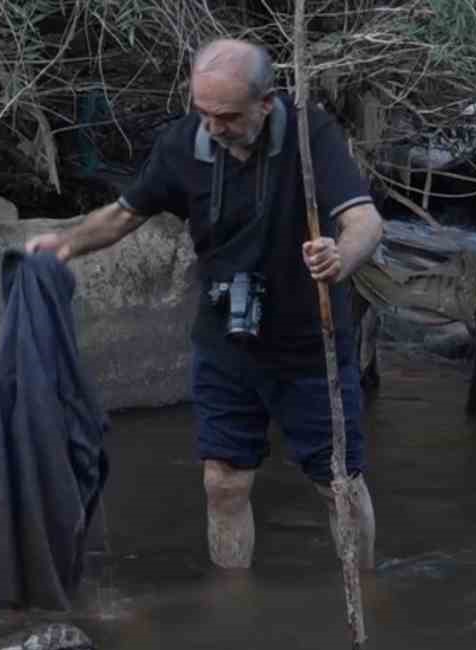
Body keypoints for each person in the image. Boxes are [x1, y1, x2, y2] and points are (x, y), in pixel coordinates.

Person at [24, 38, 383, 570]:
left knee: (339, 484)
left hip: (312, 344)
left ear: (266, 102)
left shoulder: (311, 136)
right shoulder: (183, 144)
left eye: (228, 116)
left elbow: (365, 221)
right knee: (223, 481)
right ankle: (233, 610)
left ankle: (366, 596)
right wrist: (67, 243)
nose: (213, 127)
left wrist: (339, 257)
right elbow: (125, 215)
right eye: (203, 112)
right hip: (227, 343)